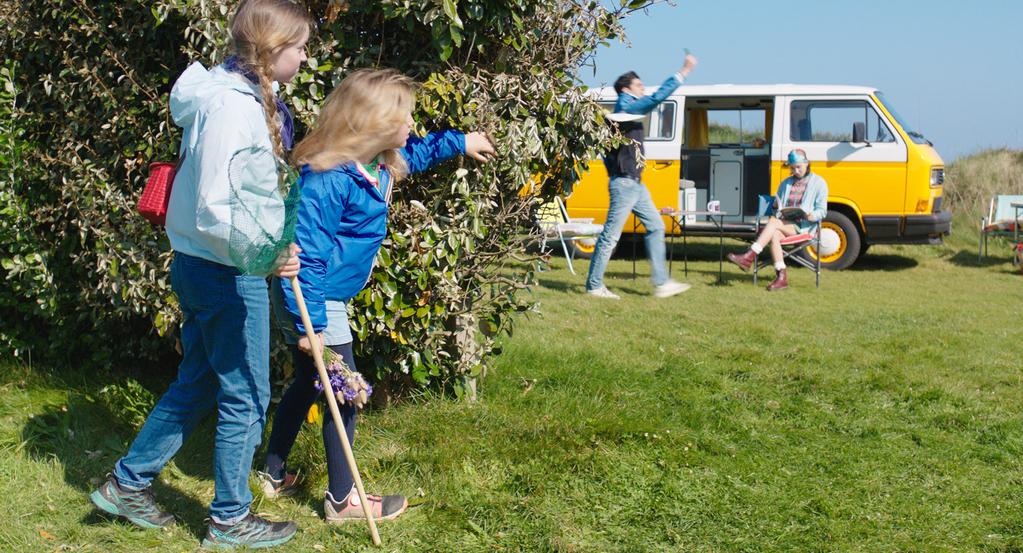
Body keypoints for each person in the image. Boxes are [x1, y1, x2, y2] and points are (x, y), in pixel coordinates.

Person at [89, 0, 309, 548]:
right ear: (271, 49)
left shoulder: (234, 97)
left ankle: (126, 484)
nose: (305, 58)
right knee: (248, 394)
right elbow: (216, 205)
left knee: (203, 380)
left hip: (208, 264)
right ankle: (230, 519)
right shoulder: (234, 109)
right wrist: (269, 253)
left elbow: (247, 190)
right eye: (300, 48)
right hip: (225, 269)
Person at [257, 69, 496, 524]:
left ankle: (273, 472)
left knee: (313, 382)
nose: (411, 125)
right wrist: (315, 329)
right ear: (374, 122)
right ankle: (343, 500)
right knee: (343, 391)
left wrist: (460, 142)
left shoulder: (378, 165)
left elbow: (418, 153)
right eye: (404, 117)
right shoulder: (328, 177)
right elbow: (306, 253)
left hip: (325, 295)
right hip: (312, 298)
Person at [585, 53, 698, 300]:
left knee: (656, 226)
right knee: (610, 236)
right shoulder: (626, 107)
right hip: (625, 184)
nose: (643, 88)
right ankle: (594, 286)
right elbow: (654, 99)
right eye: (639, 85)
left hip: (634, 185)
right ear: (626, 89)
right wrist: (683, 72)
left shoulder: (624, 113)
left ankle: (661, 282)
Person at [726, 149, 828, 291]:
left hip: (804, 226)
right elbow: (778, 208)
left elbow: (822, 211)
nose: (796, 170)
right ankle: (781, 278)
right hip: (785, 224)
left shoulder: (819, 183)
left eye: (798, 167)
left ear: (807, 164)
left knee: (773, 222)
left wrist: (812, 215)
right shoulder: (785, 183)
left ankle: (749, 255)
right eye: (792, 168)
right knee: (773, 233)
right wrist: (775, 206)